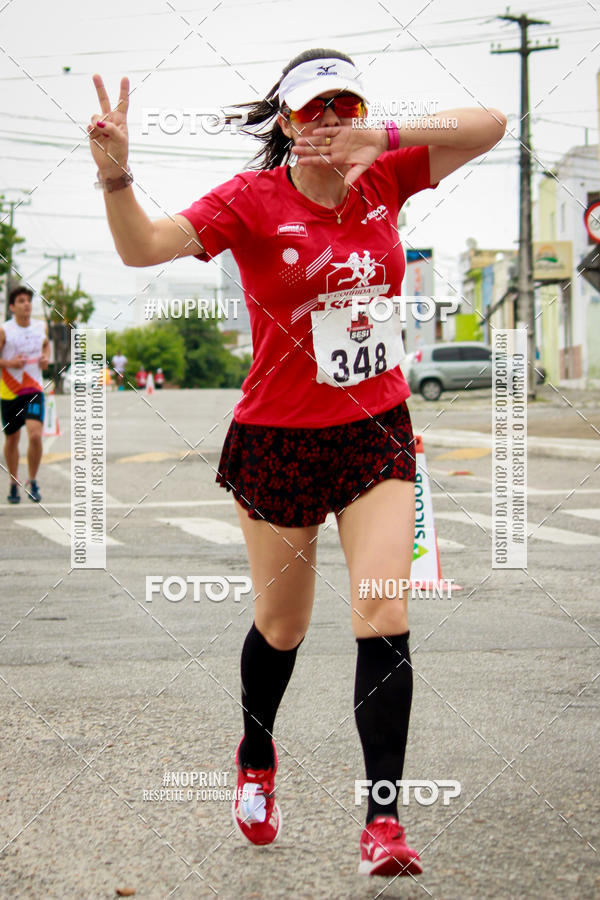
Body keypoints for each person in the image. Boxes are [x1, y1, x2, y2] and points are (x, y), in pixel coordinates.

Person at [88, 50, 505, 877]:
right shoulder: (251, 200)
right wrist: (116, 179)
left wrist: (377, 135)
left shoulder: (384, 178)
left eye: (341, 105)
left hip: (374, 430)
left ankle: (382, 823)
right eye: (312, 109)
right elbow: (145, 249)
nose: (327, 120)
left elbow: (491, 125)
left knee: (384, 612)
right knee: (284, 628)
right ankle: (255, 755)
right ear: (285, 122)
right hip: (277, 438)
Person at [0, 286, 50, 503]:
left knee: (35, 435)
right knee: (12, 439)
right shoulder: (5, 330)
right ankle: (13, 483)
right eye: (21, 301)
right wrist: (10, 363)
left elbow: (46, 346)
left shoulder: (41, 327)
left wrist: (46, 358)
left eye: (28, 300)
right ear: (12, 307)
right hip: (10, 391)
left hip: (33, 389)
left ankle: (33, 480)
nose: (26, 304)